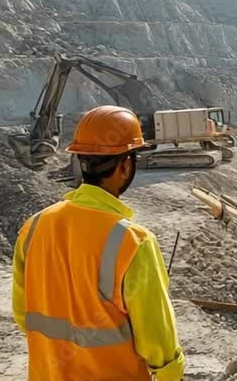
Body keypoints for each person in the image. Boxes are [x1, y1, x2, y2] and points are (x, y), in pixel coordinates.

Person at [12, 105, 185, 380]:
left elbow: (24, 315)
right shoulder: (133, 242)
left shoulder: (33, 227)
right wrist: (171, 374)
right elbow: (157, 340)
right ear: (126, 165)